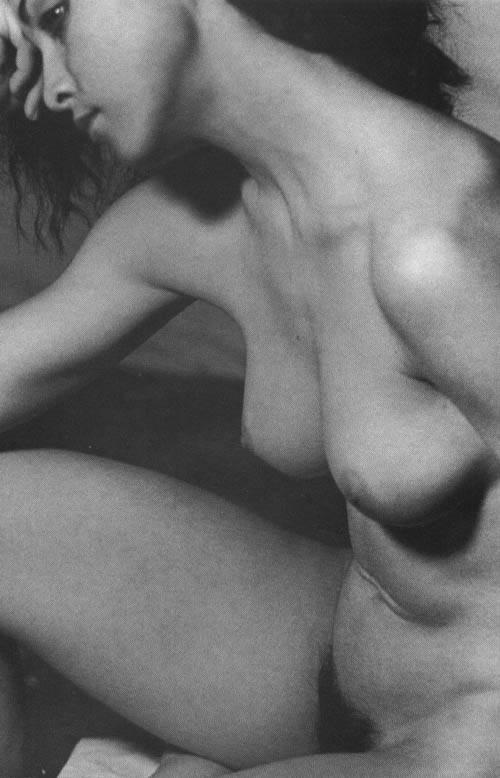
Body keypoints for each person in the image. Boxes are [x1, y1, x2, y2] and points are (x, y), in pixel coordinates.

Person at [0, 0, 498, 776]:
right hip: (322, 656)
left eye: (55, 16)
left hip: (473, 730)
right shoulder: (202, 217)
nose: (33, 85)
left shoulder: (447, 237)